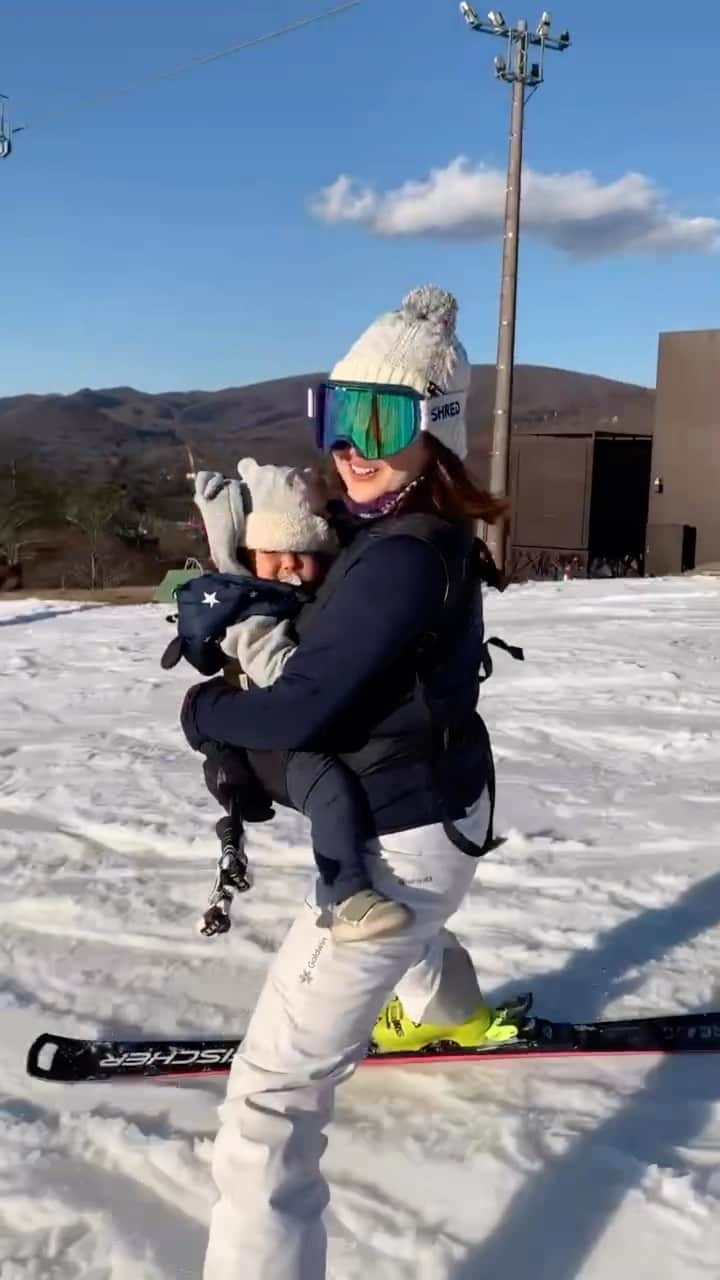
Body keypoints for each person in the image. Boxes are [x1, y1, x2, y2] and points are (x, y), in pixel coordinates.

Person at [181, 285, 522, 1280]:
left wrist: (203, 713)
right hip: (445, 806)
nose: (351, 446)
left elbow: (301, 708)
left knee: (269, 1101)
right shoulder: (407, 536)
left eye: (383, 419)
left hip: (405, 827)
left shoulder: (400, 559)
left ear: (438, 435)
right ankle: (451, 1011)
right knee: (414, 918)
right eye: (338, 416)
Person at [189, 457, 413, 942]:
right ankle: (347, 894)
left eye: (303, 552)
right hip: (273, 737)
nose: (288, 563)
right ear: (251, 555)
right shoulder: (248, 610)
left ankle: (436, 996)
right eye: (273, 551)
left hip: (291, 727)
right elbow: (280, 676)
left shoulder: (317, 595)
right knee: (329, 787)